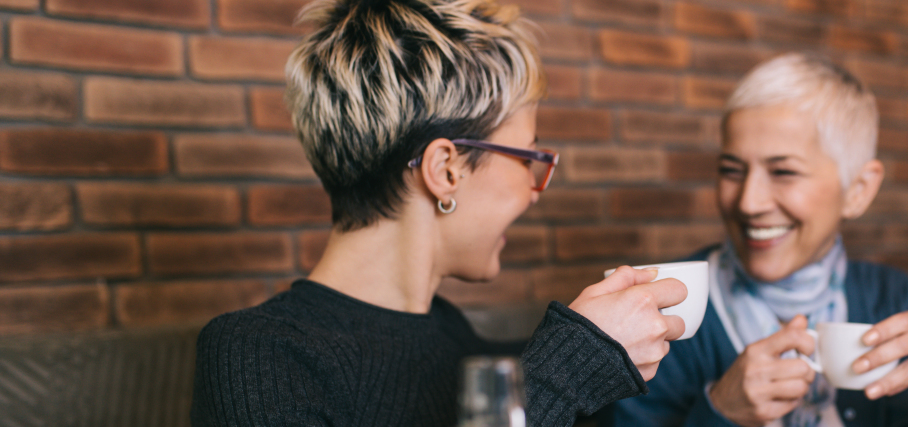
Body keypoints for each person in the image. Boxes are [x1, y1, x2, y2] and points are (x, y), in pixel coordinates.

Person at [189, 0, 687, 425]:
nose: (536, 191)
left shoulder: (451, 333)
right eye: (530, 159)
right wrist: (571, 371)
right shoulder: (257, 354)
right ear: (445, 169)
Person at [602, 53, 908, 426]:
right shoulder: (669, 309)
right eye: (731, 169)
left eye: (783, 172)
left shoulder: (889, 296)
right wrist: (722, 412)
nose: (749, 202)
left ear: (859, 190)